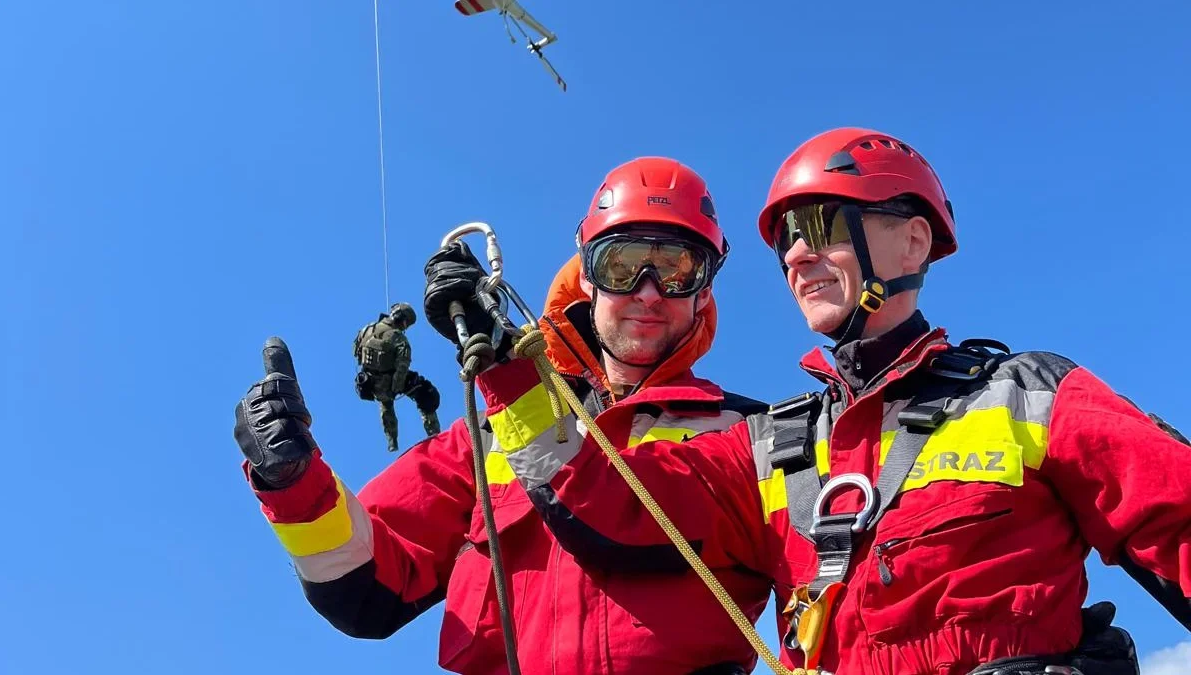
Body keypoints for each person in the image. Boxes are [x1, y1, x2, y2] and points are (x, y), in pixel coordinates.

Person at [451, 128, 1190, 675]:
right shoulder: (772, 446)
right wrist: (510, 374)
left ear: (912, 243)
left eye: (822, 228)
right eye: (786, 242)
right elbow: (612, 507)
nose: (797, 255)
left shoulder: (1028, 394)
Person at [232, 156, 776, 675]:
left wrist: (512, 377)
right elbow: (365, 590)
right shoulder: (486, 439)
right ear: (586, 274)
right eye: (623, 265)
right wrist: (293, 483)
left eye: (679, 269)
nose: (649, 292)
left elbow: (617, 511)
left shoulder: (750, 436)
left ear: (705, 291)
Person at [352, 302, 442, 452]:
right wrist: (397, 385)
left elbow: (356, 352)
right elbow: (403, 364)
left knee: (386, 405)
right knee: (425, 393)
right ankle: (435, 434)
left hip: (371, 383)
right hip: (390, 382)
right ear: (402, 319)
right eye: (406, 324)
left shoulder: (366, 329)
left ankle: (392, 441)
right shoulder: (397, 337)